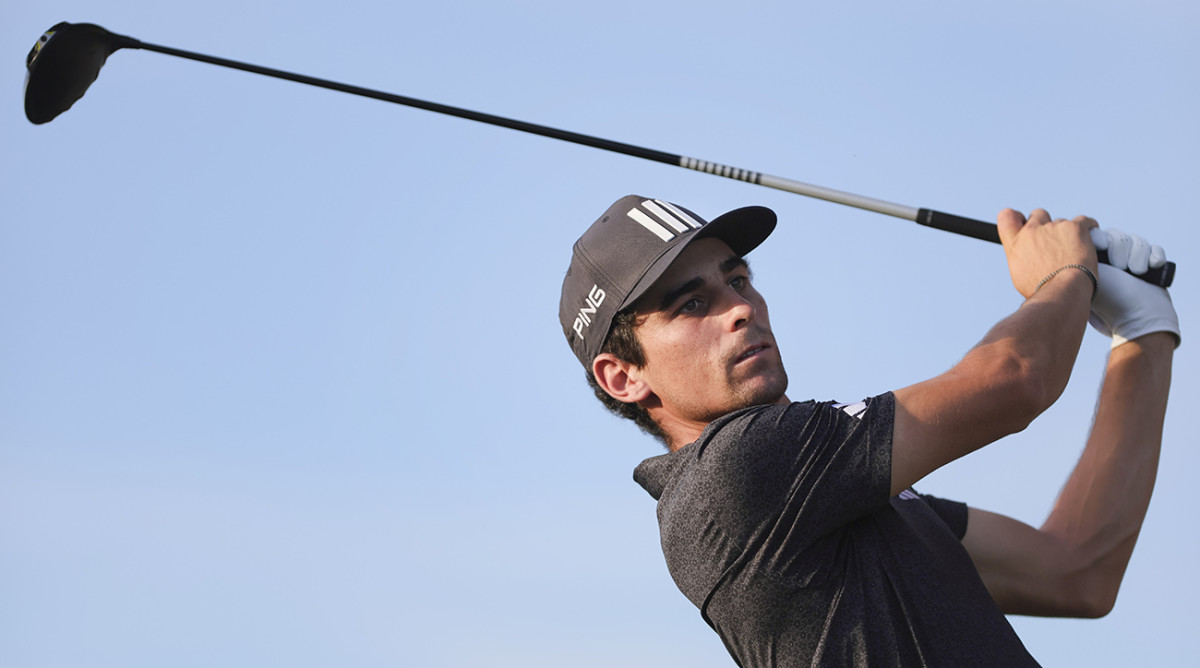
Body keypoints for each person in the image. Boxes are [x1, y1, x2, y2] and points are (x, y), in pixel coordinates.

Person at [558, 195, 1179, 667]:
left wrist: (1143, 336)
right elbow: (1016, 378)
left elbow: (1075, 570)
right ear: (623, 378)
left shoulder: (834, 495)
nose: (740, 307)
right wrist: (1065, 274)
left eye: (739, 280)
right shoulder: (736, 472)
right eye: (692, 304)